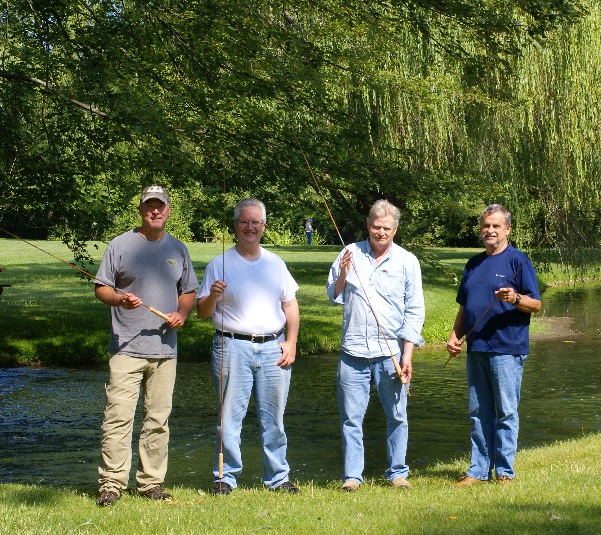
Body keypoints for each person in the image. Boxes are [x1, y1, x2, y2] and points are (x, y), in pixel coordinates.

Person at [94, 185, 199, 506]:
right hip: (126, 348)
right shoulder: (121, 245)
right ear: (141, 210)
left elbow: (189, 291)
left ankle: (151, 482)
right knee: (118, 417)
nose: (155, 211)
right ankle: (111, 484)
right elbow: (101, 289)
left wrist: (181, 313)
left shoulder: (178, 249)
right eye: (149, 206)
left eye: (161, 206)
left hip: (165, 351)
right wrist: (120, 300)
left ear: (168, 210)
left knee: (158, 420)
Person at [196, 198, 301, 495]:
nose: (250, 227)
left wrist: (291, 342)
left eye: (256, 222)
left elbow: (290, 304)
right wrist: (213, 295)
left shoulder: (275, 264)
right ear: (235, 226)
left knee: (274, 419)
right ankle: (225, 478)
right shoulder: (220, 264)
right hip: (231, 347)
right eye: (244, 222)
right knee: (228, 419)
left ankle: (278, 478)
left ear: (264, 227)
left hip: (273, 348)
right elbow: (203, 313)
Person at [326, 199, 425, 491]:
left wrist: (407, 354)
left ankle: (397, 473)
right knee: (350, 418)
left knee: (396, 415)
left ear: (395, 230)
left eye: (387, 228)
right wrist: (343, 273)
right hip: (352, 351)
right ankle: (352, 477)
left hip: (389, 353)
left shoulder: (408, 261)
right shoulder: (349, 252)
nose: (381, 232)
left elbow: (415, 310)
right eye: (375, 226)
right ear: (368, 226)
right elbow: (333, 295)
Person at [446, 204, 541, 486]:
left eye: (496, 226)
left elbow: (536, 304)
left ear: (508, 230)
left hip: (507, 349)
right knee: (478, 413)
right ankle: (477, 471)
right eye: (486, 225)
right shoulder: (473, 264)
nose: (490, 230)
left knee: (506, 412)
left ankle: (504, 472)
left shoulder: (519, 262)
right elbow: (465, 305)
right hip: (477, 349)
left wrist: (514, 298)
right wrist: (454, 335)